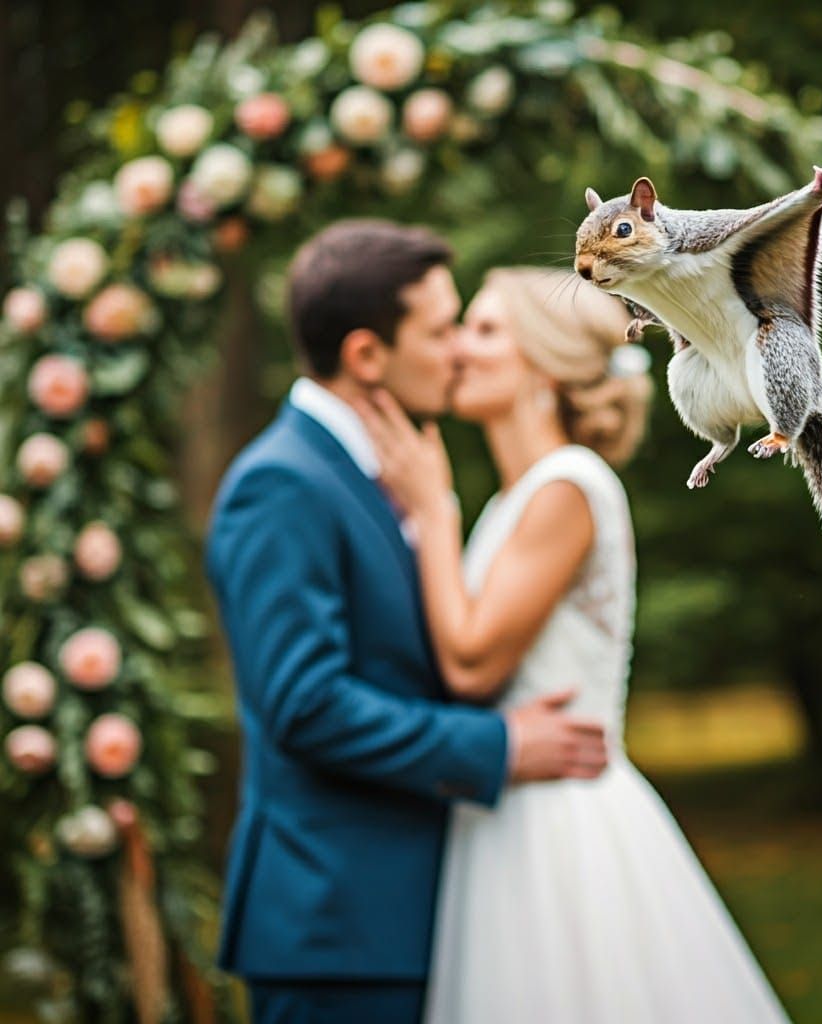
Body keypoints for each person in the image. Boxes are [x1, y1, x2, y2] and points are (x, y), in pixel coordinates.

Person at [356, 266, 794, 1023]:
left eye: (484, 329)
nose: (458, 347)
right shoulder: (515, 499)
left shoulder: (567, 486)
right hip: (504, 813)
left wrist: (430, 508)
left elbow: (468, 664)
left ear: (543, 360)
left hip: (560, 827)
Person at [203, 224, 609, 1024]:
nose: (458, 350)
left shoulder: (383, 467)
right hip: (340, 928)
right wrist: (499, 747)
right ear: (366, 357)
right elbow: (306, 705)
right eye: (439, 330)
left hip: (416, 911)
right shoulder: (281, 485)